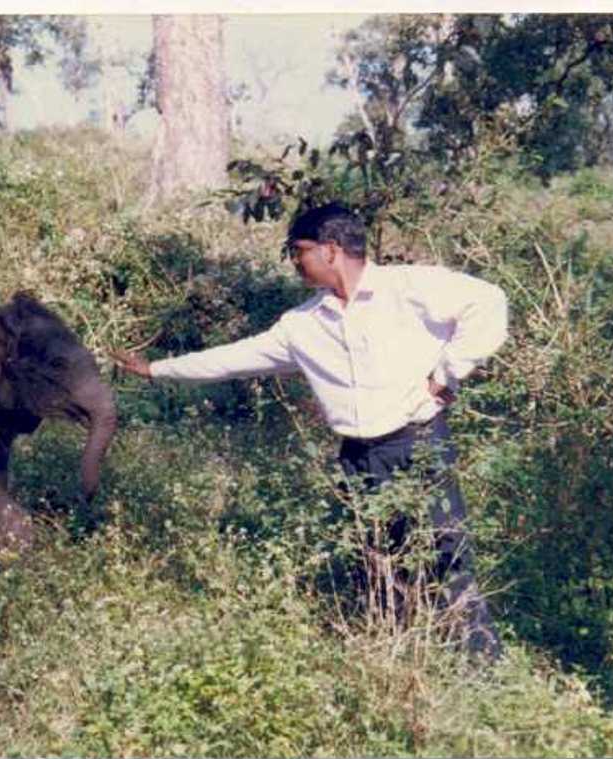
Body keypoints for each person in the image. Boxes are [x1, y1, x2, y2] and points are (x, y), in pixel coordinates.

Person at [111, 202, 506, 660]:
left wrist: (448, 371)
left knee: (446, 557)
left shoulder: (408, 288)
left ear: (331, 250)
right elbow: (234, 358)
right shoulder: (302, 325)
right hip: (358, 457)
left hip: (418, 444)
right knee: (377, 563)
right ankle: (392, 662)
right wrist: (157, 369)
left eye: (298, 251)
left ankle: (481, 668)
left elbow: (488, 300)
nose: (295, 262)